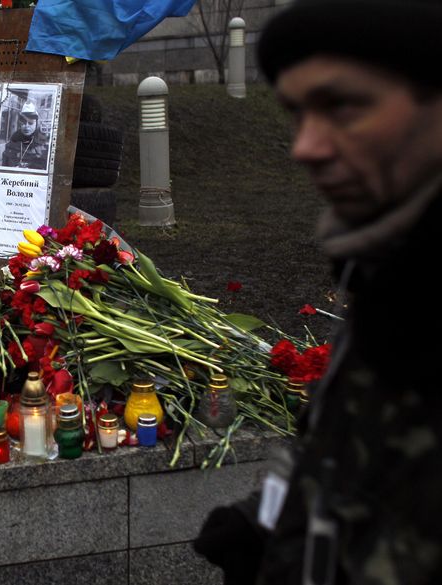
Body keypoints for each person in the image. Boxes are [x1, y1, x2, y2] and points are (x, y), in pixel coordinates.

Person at [193, 1, 442, 584]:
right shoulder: (386, 281)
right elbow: (339, 453)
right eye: (298, 114)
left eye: (344, 107)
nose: (305, 146)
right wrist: (267, 526)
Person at [0, 102, 49, 170]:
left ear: (36, 124)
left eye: (30, 123)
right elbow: (3, 169)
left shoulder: (44, 147)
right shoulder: (11, 144)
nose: (26, 126)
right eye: (23, 122)